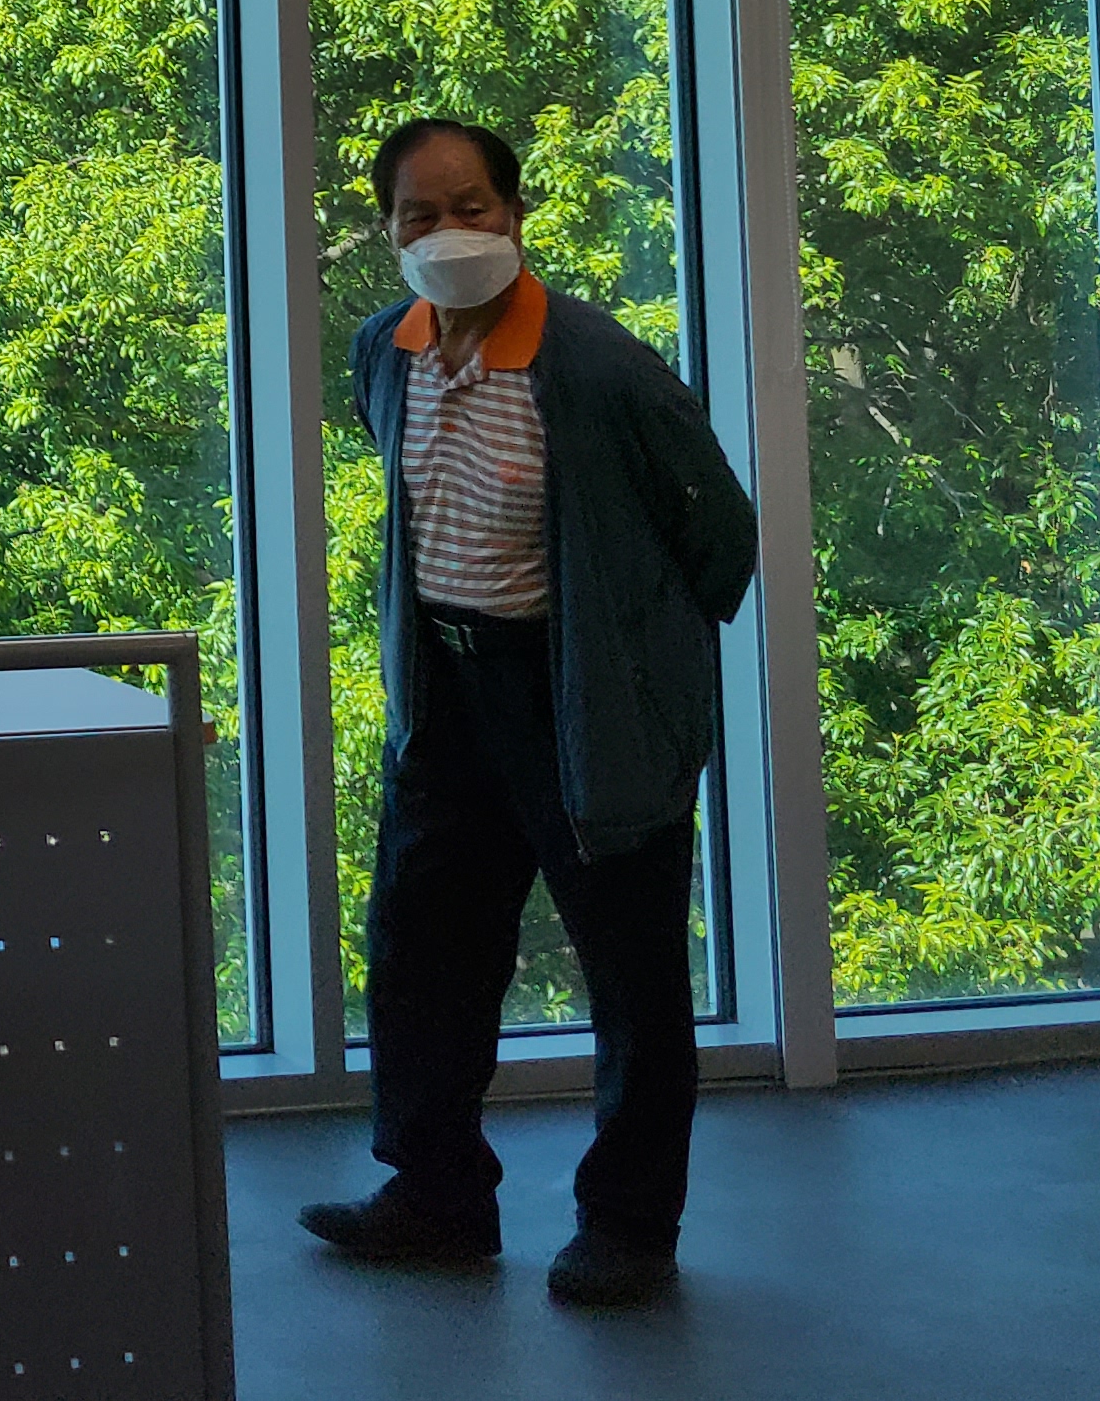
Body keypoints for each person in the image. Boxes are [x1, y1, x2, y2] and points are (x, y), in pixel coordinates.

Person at [300, 117, 758, 1309]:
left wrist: (635, 654)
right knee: (423, 949)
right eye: (420, 214)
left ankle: (629, 1227)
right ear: (387, 231)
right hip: (448, 696)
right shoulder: (384, 351)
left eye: (472, 208)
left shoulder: (600, 368)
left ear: (515, 215)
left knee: (631, 969)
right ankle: (436, 1196)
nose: (448, 233)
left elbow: (721, 536)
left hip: (582, 698)